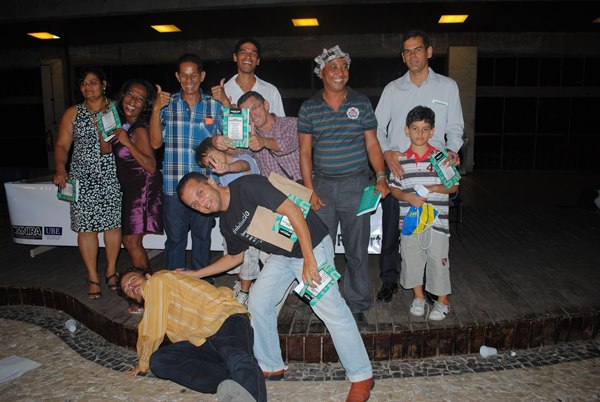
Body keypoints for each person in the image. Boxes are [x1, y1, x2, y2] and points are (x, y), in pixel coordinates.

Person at [177, 173, 375, 402]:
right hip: (283, 255)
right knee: (258, 301)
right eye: (195, 204)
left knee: (330, 308)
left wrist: (309, 260)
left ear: (211, 182)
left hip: (311, 244)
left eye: (200, 193)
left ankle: (362, 375)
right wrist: (195, 274)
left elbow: (293, 211)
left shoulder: (246, 187)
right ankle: (270, 365)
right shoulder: (227, 223)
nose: (202, 203)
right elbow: (235, 257)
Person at [298, 45, 390, 326]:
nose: (340, 72)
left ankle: (357, 304)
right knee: (319, 249)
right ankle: (321, 301)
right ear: (321, 73)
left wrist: (381, 176)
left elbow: (372, 143)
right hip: (323, 186)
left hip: (356, 184)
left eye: (344, 66)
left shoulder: (361, 103)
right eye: (333, 67)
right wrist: (310, 190)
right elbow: (305, 152)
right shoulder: (309, 107)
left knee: (356, 250)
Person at [375, 30, 464, 303]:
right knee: (393, 228)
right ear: (403, 57)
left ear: (429, 52)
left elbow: (455, 127)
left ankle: (429, 285)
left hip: (433, 170)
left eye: (417, 49)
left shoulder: (447, 86)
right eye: (407, 51)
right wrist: (387, 153)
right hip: (400, 168)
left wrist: (452, 151)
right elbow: (376, 128)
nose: (412, 55)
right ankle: (389, 279)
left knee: (432, 229)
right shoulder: (393, 89)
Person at [119, 268, 266, 402]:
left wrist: (143, 362)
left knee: (237, 357)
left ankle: (248, 390)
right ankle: (231, 380)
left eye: (132, 280)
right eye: (127, 289)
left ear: (147, 276)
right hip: (201, 340)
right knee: (159, 360)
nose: (131, 287)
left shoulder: (156, 281)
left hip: (223, 320)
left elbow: (151, 329)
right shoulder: (156, 303)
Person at [149, 53, 223, 272]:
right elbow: (155, 142)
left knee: (202, 237)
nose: (189, 80)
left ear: (202, 76)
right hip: (173, 186)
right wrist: (155, 109)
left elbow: (231, 142)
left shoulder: (214, 106)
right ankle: (175, 284)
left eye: (194, 75)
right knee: (175, 239)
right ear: (177, 77)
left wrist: (228, 105)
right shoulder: (167, 105)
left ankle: (202, 282)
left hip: (204, 186)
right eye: (184, 75)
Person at [53, 67, 122, 300]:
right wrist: (60, 168)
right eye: (83, 83)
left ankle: (111, 271)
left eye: (93, 82)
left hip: (112, 174)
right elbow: (62, 145)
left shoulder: (116, 109)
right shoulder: (73, 113)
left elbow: (118, 144)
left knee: (112, 226)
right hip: (82, 177)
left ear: (104, 84)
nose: (88, 87)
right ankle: (93, 276)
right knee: (86, 228)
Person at [388, 106, 457, 321]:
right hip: (410, 223)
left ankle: (443, 301)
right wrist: (407, 197)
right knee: (412, 259)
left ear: (432, 131)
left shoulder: (440, 159)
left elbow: (454, 186)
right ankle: (418, 297)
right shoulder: (399, 160)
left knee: (438, 260)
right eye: (415, 128)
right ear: (407, 130)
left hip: (437, 223)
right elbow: (394, 189)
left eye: (425, 129)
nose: (420, 133)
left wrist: (434, 188)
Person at [195, 137, 260, 305]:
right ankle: (243, 286)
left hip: (251, 222)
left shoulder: (244, 159)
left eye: (211, 158)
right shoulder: (219, 176)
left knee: (248, 257)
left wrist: (228, 168)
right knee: (232, 256)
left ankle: (245, 293)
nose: (213, 165)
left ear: (219, 148)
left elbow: (243, 166)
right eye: (209, 165)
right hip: (233, 224)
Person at [113, 79, 163, 274]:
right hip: (132, 188)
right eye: (130, 95)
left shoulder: (139, 128)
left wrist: (127, 143)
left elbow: (151, 166)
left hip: (143, 188)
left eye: (140, 99)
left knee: (131, 241)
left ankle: (144, 286)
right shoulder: (126, 125)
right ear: (123, 96)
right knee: (130, 240)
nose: (133, 101)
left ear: (145, 105)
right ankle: (144, 283)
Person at [211, 37, 285, 116]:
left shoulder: (271, 91)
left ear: (258, 61)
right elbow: (214, 121)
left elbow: (281, 122)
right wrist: (226, 104)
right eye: (243, 52)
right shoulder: (223, 92)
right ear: (235, 57)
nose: (248, 57)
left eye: (253, 53)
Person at [238, 91, 302, 181]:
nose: (252, 116)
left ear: (266, 105)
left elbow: (286, 144)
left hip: (301, 184)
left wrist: (263, 141)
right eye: (246, 113)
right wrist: (224, 143)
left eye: (254, 108)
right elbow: (239, 155)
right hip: (272, 188)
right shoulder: (250, 137)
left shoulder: (291, 123)